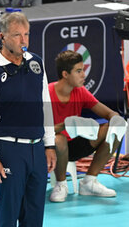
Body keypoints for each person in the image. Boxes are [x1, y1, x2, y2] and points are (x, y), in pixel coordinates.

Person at [0, 12, 56, 227]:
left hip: (37, 149)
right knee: (8, 215)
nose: (24, 40)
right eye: (17, 35)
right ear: (2, 37)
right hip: (9, 150)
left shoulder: (36, 63)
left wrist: (49, 144)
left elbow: (44, 104)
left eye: (27, 34)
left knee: (35, 214)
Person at [49, 50, 124, 202]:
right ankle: (61, 185)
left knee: (116, 127)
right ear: (65, 74)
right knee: (59, 139)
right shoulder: (46, 93)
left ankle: (89, 182)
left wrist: (117, 121)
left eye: (82, 70)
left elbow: (110, 114)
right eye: (78, 71)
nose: (84, 75)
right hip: (51, 148)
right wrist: (66, 125)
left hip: (76, 146)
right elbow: (39, 131)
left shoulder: (80, 91)